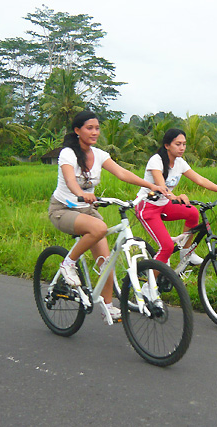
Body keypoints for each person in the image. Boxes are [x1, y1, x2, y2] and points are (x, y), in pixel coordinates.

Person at [48, 111, 168, 323]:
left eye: (97, 128)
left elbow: (122, 173)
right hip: (63, 209)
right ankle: (68, 264)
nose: (95, 132)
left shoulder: (100, 155)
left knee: (106, 262)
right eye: (89, 128)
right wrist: (80, 193)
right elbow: (69, 180)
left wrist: (151, 185)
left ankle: (108, 305)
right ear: (77, 131)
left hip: (87, 210)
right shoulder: (67, 154)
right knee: (99, 228)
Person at [135, 128, 217, 266]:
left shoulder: (180, 162)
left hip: (164, 204)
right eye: (178, 144)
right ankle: (149, 287)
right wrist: (175, 197)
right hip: (147, 207)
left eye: (184, 144)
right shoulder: (156, 161)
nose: (182, 148)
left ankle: (186, 253)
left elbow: (200, 180)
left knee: (192, 213)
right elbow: (161, 186)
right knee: (167, 248)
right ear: (167, 145)